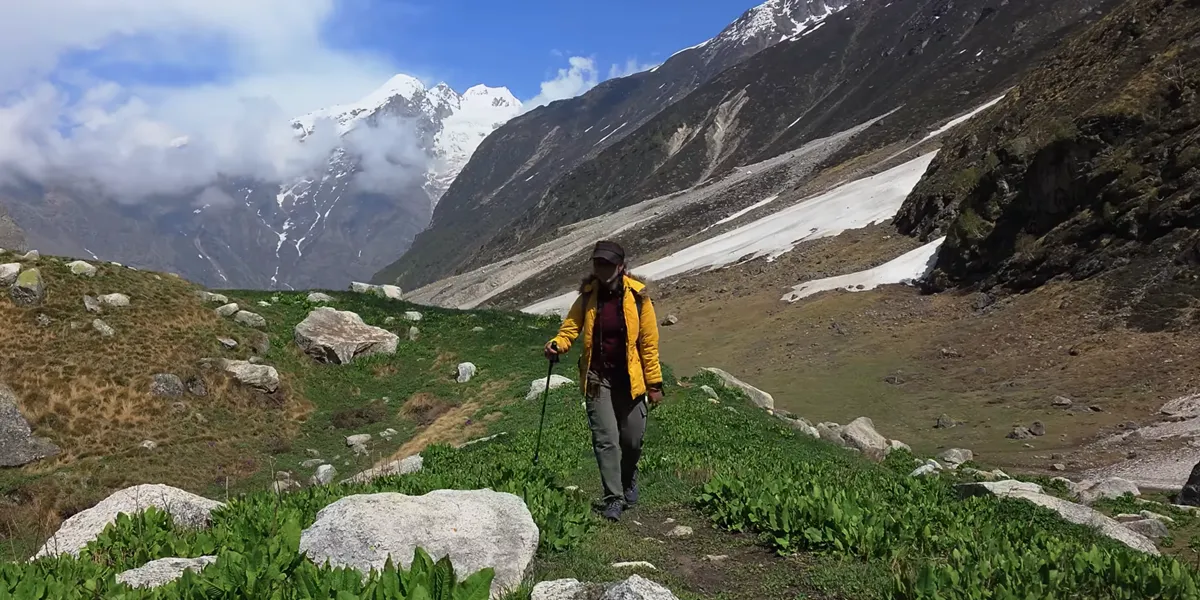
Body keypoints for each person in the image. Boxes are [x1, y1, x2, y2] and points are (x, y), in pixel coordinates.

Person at [545, 240, 664, 521]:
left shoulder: (639, 298)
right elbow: (571, 327)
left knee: (632, 439)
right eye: (598, 263)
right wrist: (557, 344)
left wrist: (654, 384)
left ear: (621, 266)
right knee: (606, 439)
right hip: (598, 378)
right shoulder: (588, 297)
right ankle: (613, 497)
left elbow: (648, 343)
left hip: (630, 378)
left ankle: (628, 477)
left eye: (608, 263)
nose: (602, 268)